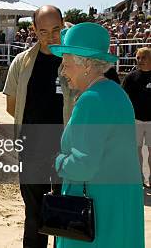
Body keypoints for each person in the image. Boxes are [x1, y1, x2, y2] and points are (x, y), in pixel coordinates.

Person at [50, 22, 144, 248]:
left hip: (95, 215)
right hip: (117, 206)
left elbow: (83, 165)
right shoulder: (116, 93)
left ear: (86, 64)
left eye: (66, 63)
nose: (63, 71)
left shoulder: (91, 100)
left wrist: (58, 161)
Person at [3, 5, 74, 248]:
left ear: (64, 25)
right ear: (34, 30)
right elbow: (12, 106)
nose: (51, 37)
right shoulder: (21, 63)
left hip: (67, 151)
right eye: (43, 31)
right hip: (31, 151)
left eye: (56, 29)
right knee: (34, 216)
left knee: (67, 214)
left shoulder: (74, 62)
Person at [122, 47, 151, 187]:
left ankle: (150, 179)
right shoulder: (131, 77)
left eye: (143, 57)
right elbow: (122, 97)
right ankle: (139, 178)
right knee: (136, 151)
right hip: (135, 120)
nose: (140, 61)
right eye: (138, 58)